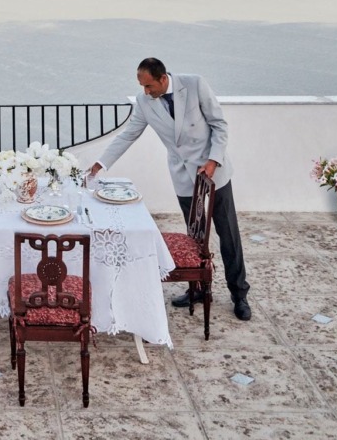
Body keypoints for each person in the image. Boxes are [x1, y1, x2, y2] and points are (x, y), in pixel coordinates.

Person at [87, 57, 251, 320]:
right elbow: (129, 134)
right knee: (194, 236)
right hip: (184, 176)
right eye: (142, 87)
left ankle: (239, 294)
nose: (145, 92)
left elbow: (219, 125)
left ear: (163, 79)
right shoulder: (144, 102)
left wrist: (213, 160)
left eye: (149, 86)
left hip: (214, 171)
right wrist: (100, 163)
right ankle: (196, 288)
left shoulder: (195, 84)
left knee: (227, 233)